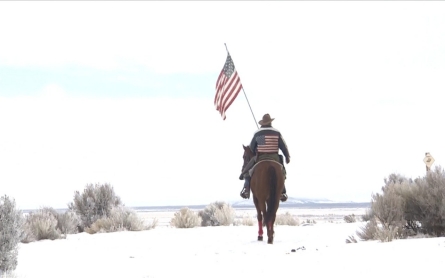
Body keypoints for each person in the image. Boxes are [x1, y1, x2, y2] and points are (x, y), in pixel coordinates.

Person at [239, 113, 290, 202]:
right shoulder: (277, 133)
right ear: (270, 123)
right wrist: (287, 156)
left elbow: (251, 148)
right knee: (282, 172)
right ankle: (282, 191)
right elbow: (283, 146)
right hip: (275, 157)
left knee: (248, 170)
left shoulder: (258, 134)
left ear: (263, 123)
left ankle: (246, 188)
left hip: (260, 157)